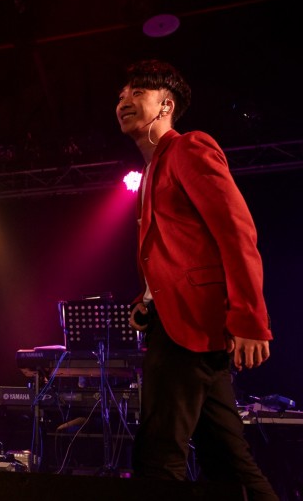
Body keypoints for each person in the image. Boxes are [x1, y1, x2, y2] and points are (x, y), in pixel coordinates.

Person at [118, 59, 277, 499]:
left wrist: (250, 319)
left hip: (193, 325)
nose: (124, 101)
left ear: (166, 105)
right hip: (179, 323)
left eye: (137, 93)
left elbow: (236, 231)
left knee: (158, 457)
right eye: (121, 95)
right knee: (226, 460)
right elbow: (181, 252)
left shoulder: (189, 148)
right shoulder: (151, 171)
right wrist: (147, 300)